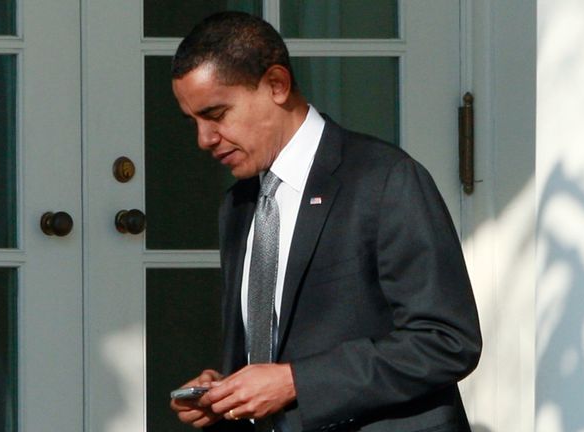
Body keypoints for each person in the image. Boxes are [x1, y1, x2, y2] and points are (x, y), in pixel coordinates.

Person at [169, 11, 482, 432]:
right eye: (194, 122)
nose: (203, 139)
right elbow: (272, 350)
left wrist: (296, 381)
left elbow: (447, 341)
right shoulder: (239, 204)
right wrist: (228, 392)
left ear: (276, 85)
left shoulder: (385, 179)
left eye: (217, 114)